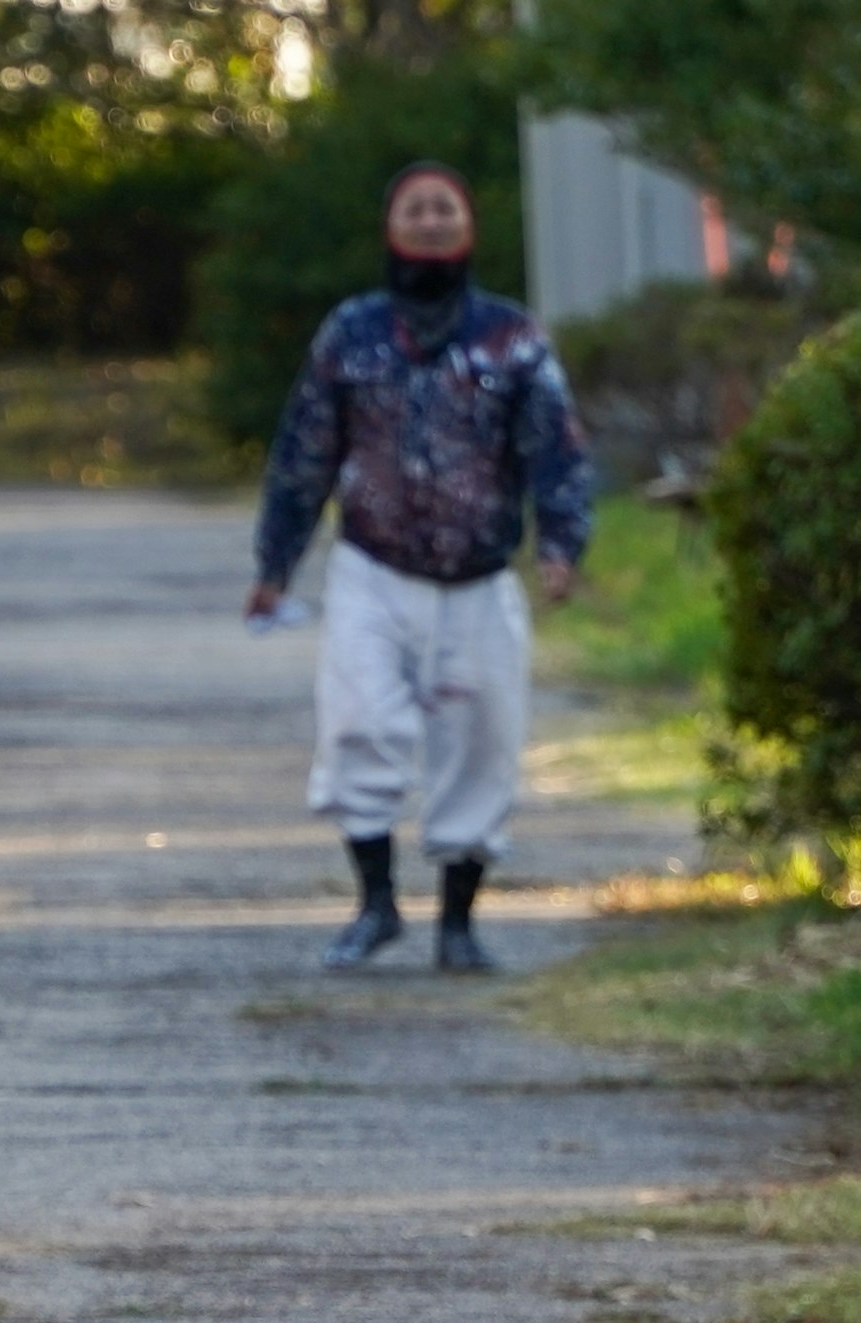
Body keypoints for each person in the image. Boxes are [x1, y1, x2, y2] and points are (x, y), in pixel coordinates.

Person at [247, 162, 594, 974]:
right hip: (373, 571)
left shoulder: (512, 337)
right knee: (359, 725)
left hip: (479, 579)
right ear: (391, 226)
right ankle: (375, 905)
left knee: (482, 744)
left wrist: (561, 544)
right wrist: (276, 561)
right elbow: (305, 450)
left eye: (446, 208)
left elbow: (558, 450)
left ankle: (459, 925)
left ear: (468, 226)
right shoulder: (352, 333)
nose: (432, 221)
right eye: (416, 208)